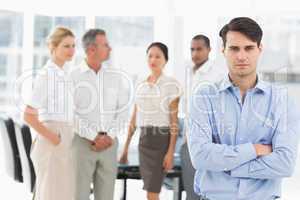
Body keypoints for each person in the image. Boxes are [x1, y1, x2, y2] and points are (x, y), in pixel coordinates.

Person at [187, 17, 300, 200]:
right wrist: (254, 149)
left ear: (259, 49)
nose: (241, 56)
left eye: (248, 48)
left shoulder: (282, 101)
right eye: (234, 48)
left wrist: (229, 166)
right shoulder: (204, 97)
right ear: (223, 50)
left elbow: (285, 163)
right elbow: (200, 156)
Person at [69, 28, 130, 200]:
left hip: (110, 145)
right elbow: (69, 114)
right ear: (91, 49)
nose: (110, 48)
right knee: (78, 195)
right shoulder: (73, 76)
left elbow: (124, 109)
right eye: (105, 45)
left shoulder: (115, 76)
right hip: (82, 144)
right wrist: (92, 136)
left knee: (106, 197)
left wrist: (109, 136)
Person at [119, 42, 182, 200]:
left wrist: (170, 153)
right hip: (144, 140)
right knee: (150, 191)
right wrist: (125, 148)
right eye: (150, 56)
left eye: (158, 56)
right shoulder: (140, 83)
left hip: (161, 140)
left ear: (165, 60)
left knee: (153, 191)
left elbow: (174, 121)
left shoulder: (171, 84)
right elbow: (134, 117)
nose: (153, 59)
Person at [24, 27, 76, 200]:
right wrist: (54, 138)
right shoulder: (47, 75)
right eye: (66, 46)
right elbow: (28, 115)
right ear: (53, 47)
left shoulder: (63, 73)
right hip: (52, 142)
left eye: (73, 46)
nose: (71, 50)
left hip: (64, 138)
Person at [180, 34, 223, 200]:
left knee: (209, 192)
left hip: (210, 143)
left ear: (209, 50)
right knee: (192, 191)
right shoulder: (189, 73)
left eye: (199, 49)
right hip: (189, 141)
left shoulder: (217, 75)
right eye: (192, 49)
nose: (195, 53)